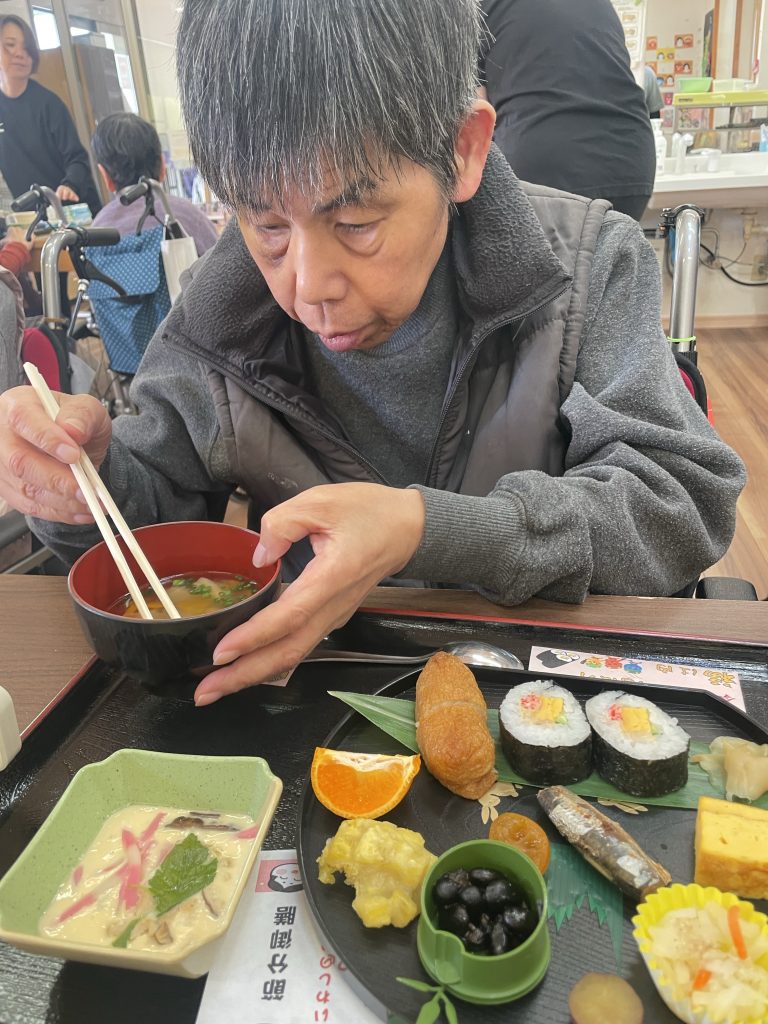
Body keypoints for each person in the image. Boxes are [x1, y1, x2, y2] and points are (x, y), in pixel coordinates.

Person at [0, 0, 745, 708]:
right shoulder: (223, 313)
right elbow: (149, 528)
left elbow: (679, 502)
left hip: (536, 696)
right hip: (310, 703)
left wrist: (428, 529)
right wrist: (78, 480)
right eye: (267, 224)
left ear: (463, 149)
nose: (308, 286)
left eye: (355, 222)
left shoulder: (585, 267)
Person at [480, 0, 657, 220]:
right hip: (629, 155)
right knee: (614, 241)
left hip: (543, 160)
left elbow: (473, 122)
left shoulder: (471, 9)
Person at [0, 15, 101, 216]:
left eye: (27, 48)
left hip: (71, 212)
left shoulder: (48, 104)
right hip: (29, 216)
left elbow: (77, 158)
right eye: (10, 45)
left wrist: (70, 184)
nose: (20, 53)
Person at [91, 113, 218, 256]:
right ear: (163, 166)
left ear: (105, 176)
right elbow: (221, 260)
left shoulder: (98, 231)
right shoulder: (189, 216)